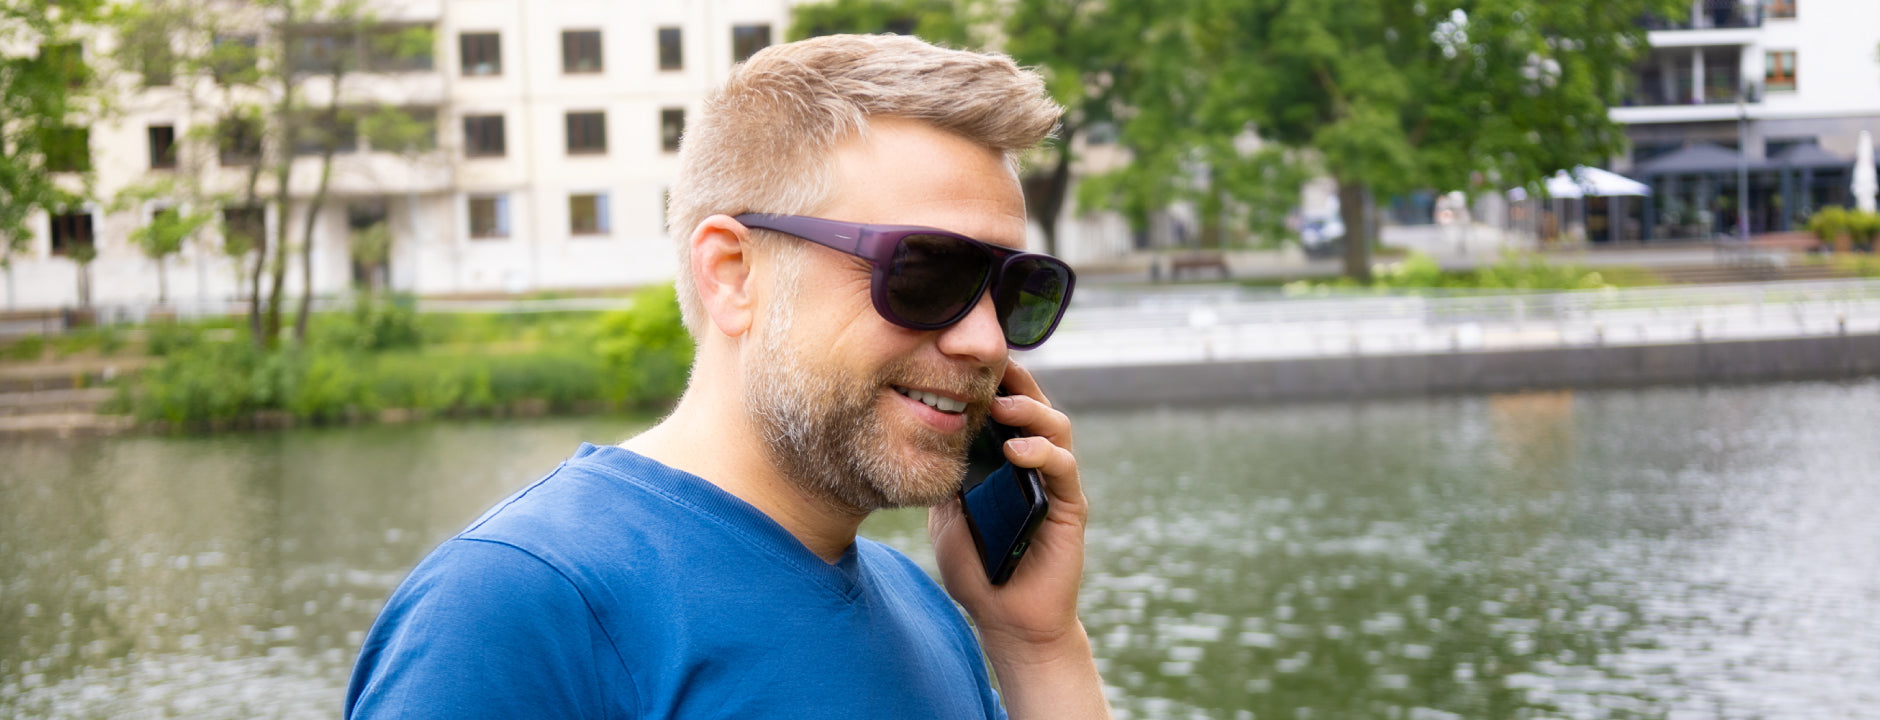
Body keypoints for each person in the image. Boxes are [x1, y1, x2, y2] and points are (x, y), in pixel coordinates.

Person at [345, 34, 1110, 719]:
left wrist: (1039, 644)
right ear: (732, 273)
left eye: (1015, 290)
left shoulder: (928, 611)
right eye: (927, 272)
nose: (983, 339)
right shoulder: (518, 608)